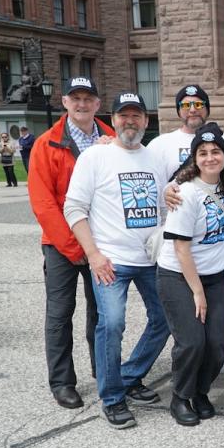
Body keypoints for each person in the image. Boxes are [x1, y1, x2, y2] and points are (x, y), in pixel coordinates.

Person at [64, 91, 170, 429]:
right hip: (110, 260)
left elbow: (165, 206)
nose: (130, 121)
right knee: (111, 323)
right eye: (123, 115)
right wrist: (93, 255)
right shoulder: (96, 158)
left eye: (136, 115)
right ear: (112, 119)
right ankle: (112, 398)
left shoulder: (154, 158)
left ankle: (129, 375)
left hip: (150, 260)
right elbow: (74, 209)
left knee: (165, 317)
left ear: (146, 121)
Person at [28, 76, 114, 409]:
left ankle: (103, 369)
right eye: (75, 98)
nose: (82, 104)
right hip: (62, 245)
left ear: (96, 102)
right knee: (60, 315)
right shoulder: (46, 143)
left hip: (102, 243)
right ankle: (63, 381)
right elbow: (44, 203)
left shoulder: (111, 138)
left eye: (88, 98)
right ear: (65, 102)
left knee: (103, 313)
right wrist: (77, 248)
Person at [155, 123, 224, 426]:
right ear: (194, 158)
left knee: (217, 343)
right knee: (191, 341)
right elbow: (181, 250)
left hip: (215, 276)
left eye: (216, 151)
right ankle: (180, 396)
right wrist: (198, 292)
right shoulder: (185, 194)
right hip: (178, 276)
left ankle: (201, 391)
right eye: (203, 153)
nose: (210, 158)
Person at [148, 84, 224, 181]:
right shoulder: (159, 145)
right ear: (179, 111)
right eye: (186, 105)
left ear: (207, 109)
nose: (193, 110)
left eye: (198, 104)